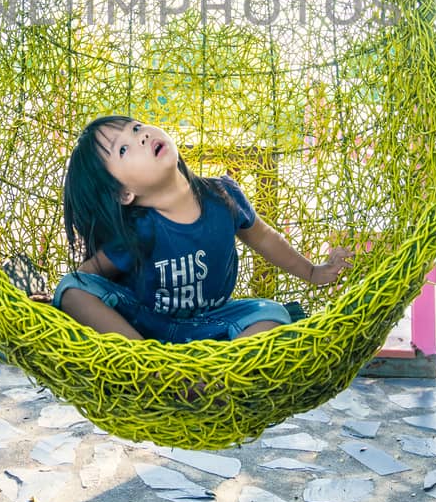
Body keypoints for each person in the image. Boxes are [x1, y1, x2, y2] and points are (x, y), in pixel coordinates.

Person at [53, 115, 351, 342]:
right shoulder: (139, 229)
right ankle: (148, 370)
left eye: (135, 127)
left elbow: (263, 237)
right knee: (71, 289)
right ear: (123, 194)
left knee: (274, 315)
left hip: (214, 323)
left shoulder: (223, 197)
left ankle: (211, 379)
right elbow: (89, 276)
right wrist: (65, 304)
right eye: (123, 149)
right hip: (147, 330)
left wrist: (313, 272)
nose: (141, 136)